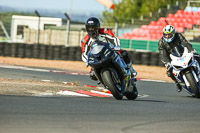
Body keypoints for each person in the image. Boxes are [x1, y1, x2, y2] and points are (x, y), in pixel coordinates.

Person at [158, 25, 200, 92]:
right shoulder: (161, 42)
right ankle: (177, 83)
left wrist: (192, 50)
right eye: (166, 35)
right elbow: (163, 54)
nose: (167, 36)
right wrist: (167, 63)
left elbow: (185, 43)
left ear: (173, 33)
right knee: (169, 72)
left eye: (169, 34)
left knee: (197, 57)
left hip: (181, 52)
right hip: (171, 57)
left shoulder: (178, 36)